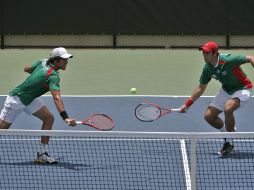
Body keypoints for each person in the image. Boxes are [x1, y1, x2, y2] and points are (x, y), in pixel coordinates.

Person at [0, 47, 77, 164]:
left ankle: (42, 154)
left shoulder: (43, 62)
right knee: (2, 129)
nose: (67, 62)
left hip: (30, 99)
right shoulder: (53, 77)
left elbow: (27, 69)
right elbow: (57, 98)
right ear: (56, 60)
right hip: (17, 99)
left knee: (48, 118)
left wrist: (38, 77)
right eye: (64, 60)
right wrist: (66, 117)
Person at [179, 41, 254, 156]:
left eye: (207, 53)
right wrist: (187, 104)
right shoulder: (208, 68)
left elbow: (250, 58)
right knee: (209, 116)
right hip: (226, 90)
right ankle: (227, 133)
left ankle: (229, 140)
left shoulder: (228, 60)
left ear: (215, 53)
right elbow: (200, 88)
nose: (204, 55)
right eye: (203, 53)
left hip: (242, 88)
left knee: (228, 108)